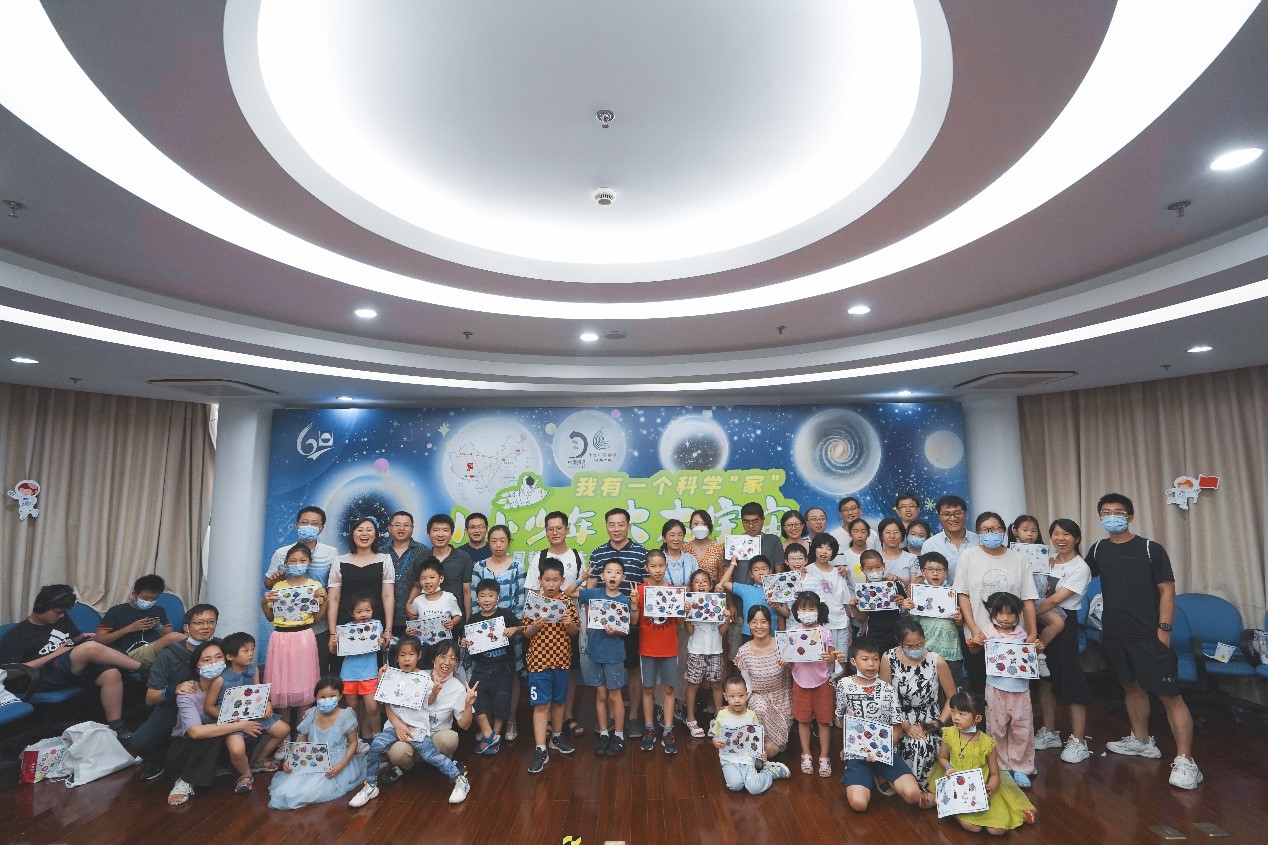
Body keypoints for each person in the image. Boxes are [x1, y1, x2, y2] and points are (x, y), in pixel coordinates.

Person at [1086, 493, 1201, 790]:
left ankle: (1186, 761)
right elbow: (1078, 575)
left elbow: (1167, 590)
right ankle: (1142, 741)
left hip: (1148, 634)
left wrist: (1164, 629)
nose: (1112, 516)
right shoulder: (1098, 549)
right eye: (1106, 512)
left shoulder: (1150, 549)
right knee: (1131, 686)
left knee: (1169, 695)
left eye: (1118, 512)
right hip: (1114, 634)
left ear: (1130, 516)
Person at [0, 584, 147, 742]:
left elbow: (73, 638)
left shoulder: (61, 619)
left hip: (71, 667)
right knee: (89, 649)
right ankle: (145, 669)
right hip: (44, 676)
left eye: (64, 612)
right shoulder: (18, 635)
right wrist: (55, 653)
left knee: (111, 673)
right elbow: (9, 673)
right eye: (58, 612)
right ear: (41, 607)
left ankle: (116, 725)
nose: (61, 616)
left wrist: (82, 638)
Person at [349, 637, 474, 806]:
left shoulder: (424, 678)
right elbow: (386, 702)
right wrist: (382, 679)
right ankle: (370, 785)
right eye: (402, 655)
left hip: (417, 728)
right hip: (394, 727)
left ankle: (460, 780)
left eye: (411, 654)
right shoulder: (393, 675)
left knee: (430, 755)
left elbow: (429, 702)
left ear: (419, 656)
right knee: (376, 746)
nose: (406, 659)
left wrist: (435, 692)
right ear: (397, 658)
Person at [833, 637, 933, 813]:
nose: (871, 664)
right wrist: (848, 745)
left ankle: (879, 775)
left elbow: (897, 726)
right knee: (859, 804)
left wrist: (879, 750)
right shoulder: (844, 685)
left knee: (913, 795)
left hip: (885, 751)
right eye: (865, 659)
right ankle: (868, 777)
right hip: (857, 753)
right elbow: (842, 718)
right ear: (853, 662)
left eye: (875, 659)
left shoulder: (888, 689)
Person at [165, 641, 263, 806]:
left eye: (218, 658)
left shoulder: (231, 685)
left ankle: (220, 767)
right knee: (212, 733)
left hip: (220, 742)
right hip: (187, 748)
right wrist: (240, 725)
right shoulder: (188, 692)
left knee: (250, 731)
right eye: (206, 660)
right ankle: (185, 780)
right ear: (197, 667)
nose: (214, 663)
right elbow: (195, 732)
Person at [129, 603, 219, 781]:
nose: (206, 627)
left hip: (212, 704)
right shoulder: (169, 655)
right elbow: (150, 698)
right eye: (199, 623)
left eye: (211, 622)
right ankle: (162, 760)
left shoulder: (220, 648)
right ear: (186, 627)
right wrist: (173, 690)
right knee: (140, 742)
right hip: (173, 708)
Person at [1032, 519, 1094, 764]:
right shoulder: (1046, 560)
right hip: (1041, 619)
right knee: (1045, 679)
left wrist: (1026, 614)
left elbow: (1054, 600)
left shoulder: (1080, 567)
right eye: (1056, 534)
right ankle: (1049, 732)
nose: (1061, 538)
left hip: (1064, 623)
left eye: (1066, 534)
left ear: (1076, 538)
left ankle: (1079, 741)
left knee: (1071, 680)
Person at [956, 512, 1038, 696]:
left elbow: (1028, 598)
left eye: (995, 529)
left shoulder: (1018, 559)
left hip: (1014, 638)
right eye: (985, 530)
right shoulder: (969, 556)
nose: (990, 533)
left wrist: (1032, 633)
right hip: (980, 638)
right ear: (978, 533)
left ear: (1003, 530)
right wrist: (974, 629)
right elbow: (963, 594)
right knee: (979, 689)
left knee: (1013, 691)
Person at [930, 691, 1036, 833]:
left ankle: (1019, 812)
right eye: (953, 711)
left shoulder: (987, 743)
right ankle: (953, 811)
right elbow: (942, 758)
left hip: (979, 789)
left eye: (962, 714)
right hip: (956, 785)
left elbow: (995, 774)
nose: (955, 717)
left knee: (998, 831)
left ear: (978, 718)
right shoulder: (949, 733)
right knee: (973, 827)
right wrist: (948, 767)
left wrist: (991, 787)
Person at [204, 631, 291, 793]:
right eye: (245, 651)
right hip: (232, 721)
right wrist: (231, 719)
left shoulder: (253, 670)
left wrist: (267, 705)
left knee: (284, 729)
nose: (251, 654)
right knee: (236, 750)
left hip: (254, 714)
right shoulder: (220, 679)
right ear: (230, 656)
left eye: (252, 649)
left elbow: (259, 693)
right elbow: (209, 707)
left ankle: (259, 761)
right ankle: (245, 774)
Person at [588, 507, 649, 737]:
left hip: (631, 623)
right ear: (606, 527)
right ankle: (612, 718)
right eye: (612, 524)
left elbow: (646, 587)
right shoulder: (597, 553)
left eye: (621, 524)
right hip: (602, 627)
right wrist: (589, 621)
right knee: (607, 673)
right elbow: (590, 588)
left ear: (628, 526)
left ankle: (632, 717)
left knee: (632, 669)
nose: (616, 529)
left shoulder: (641, 553)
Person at [966, 592, 1035, 788]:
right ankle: (1002, 768)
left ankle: (1021, 768)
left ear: (1018, 614)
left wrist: (1036, 649)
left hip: (1021, 690)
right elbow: (974, 650)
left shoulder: (1023, 634)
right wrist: (974, 643)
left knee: (1022, 728)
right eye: (1001, 613)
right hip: (995, 689)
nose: (1006, 618)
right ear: (992, 613)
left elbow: (1029, 658)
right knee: (996, 729)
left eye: (1011, 613)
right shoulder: (987, 632)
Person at [530, 510, 588, 741]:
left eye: (559, 528)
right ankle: (545, 722)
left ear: (567, 530)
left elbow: (584, 590)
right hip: (543, 627)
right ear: (546, 532)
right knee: (546, 670)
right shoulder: (539, 557)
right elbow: (532, 591)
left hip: (569, 623)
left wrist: (568, 604)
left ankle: (566, 716)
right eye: (550, 529)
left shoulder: (577, 556)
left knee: (569, 670)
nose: (555, 532)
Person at [881, 617, 957, 792]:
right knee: (904, 744)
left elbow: (952, 697)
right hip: (897, 717)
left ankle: (924, 789)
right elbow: (885, 697)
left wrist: (939, 722)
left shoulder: (936, 660)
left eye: (920, 644)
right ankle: (901, 783)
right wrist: (905, 726)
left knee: (922, 745)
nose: (916, 650)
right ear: (899, 642)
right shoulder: (888, 658)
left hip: (929, 718)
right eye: (910, 646)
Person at [268, 676, 366, 810]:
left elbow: (353, 742)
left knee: (308, 792)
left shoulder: (346, 715)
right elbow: (303, 738)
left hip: (336, 762)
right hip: (312, 759)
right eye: (322, 697)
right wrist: (291, 759)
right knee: (285, 790)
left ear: (340, 696)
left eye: (332, 696)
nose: (327, 699)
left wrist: (341, 766)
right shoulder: (312, 714)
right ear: (316, 697)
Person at [522, 557, 581, 774]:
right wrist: (535, 627)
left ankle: (556, 737)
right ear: (540, 580)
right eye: (547, 579)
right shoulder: (533, 602)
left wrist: (568, 624)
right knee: (541, 705)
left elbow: (575, 631)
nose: (551, 584)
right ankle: (540, 748)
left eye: (555, 580)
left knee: (559, 702)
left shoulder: (567, 602)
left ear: (562, 581)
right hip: (538, 663)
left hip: (562, 661)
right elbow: (525, 632)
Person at [263, 506, 339, 675]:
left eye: (315, 523)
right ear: (297, 525)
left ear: (322, 528)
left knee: (316, 672)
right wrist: (276, 579)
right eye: (305, 523)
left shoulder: (330, 553)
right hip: (288, 626)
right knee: (289, 672)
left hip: (319, 625)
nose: (309, 527)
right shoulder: (281, 553)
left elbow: (334, 589)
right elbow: (268, 584)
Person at [469, 525, 526, 733]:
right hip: (484, 632)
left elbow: (521, 601)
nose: (498, 545)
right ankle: (489, 724)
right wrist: (479, 631)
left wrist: (513, 628)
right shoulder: (479, 566)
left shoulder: (518, 567)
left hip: (510, 631)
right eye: (494, 541)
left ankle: (511, 720)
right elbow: (474, 601)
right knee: (486, 677)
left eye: (502, 540)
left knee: (511, 675)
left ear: (508, 542)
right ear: (488, 542)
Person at [261, 543, 325, 725]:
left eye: (302, 560)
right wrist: (264, 602)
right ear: (286, 564)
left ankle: (301, 733)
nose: (298, 564)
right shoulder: (278, 586)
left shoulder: (315, 586)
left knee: (304, 684)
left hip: (304, 636)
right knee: (282, 687)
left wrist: (326, 599)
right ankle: (284, 733)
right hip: (280, 637)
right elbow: (270, 616)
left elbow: (317, 618)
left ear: (309, 562)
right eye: (293, 561)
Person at [579, 559, 636, 756]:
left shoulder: (625, 600)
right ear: (602, 576)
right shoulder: (594, 594)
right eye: (609, 572)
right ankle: (603, 733)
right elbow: (568, 593)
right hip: (595, 652)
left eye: (617, 572)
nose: (613, 575)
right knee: (601, 694)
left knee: (615, 695)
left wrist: (615, 631)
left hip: (614, 655)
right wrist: (582, 579)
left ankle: (618, 735)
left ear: (623, 577)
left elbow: (628, 629)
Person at [461, 578, 521, 755]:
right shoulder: (473, 619)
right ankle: (489, 734)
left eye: (491, 595)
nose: (487, 599)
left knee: (502, 699)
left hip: (504, 666)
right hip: (481, 667)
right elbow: (466, 640)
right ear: (477, 598)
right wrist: (464, 642)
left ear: (498, 597)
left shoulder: (505, 614)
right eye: (482, 596)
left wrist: (514, 630)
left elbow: (522, 627)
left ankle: (495, 733)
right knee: (475, 697)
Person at [326, 517, 394, 665]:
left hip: (375, 623)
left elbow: (388, 596)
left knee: (374, 668)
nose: (364, 533)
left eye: (369, 530)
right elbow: (334, 599)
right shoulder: (340, 561)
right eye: (360, 530)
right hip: (345, 623)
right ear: (352, 534)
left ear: (375, 535)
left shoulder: (385, 559)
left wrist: (388, 630)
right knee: (344, 668)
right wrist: (332, 633)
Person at [634, 549, 682, 754]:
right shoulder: (640, 590)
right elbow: (634, 621)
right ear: (646, 568)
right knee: (648, 689)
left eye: (661, 565)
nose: (657, 570)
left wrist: (684, 609)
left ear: (666, 566)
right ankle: (649, 728)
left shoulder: (674, 591)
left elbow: (680, 623)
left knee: (669, 689)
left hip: (670, 648)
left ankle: (668, 731)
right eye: (653, 566)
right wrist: (633, 604)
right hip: (647, 649)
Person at [710, 676, 792, 794]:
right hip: (728, 759)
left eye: (741, 696)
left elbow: (757, 738)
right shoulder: (722, 715)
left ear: (747, 695)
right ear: (725, 697)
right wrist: (715, 740)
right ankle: (748, 776)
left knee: (754, 789)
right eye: (732, 696)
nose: (737, 700)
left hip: (748, 759)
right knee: (735, 786)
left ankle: (769, 773)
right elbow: (715, 733)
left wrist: (761, 754)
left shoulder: (751, 715)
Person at [789, 591, 840, 778]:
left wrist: (831, 657)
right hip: (800, 681)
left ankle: (824, 757)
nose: (807, 612)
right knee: (803, 720)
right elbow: (789, 659)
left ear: (819, 610)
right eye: (803, 608)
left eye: (811, 608)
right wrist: (784, 659)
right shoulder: (792, 632)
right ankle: (806, 754)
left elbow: (833, 657)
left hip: (822, 682)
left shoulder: (825, 633)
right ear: (797, 611)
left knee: (824, 721)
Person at [733, 605, 792, 761]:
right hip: (757, 698)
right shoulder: (744, 652)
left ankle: (754, 751)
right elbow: (748, 686)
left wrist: (790, 663)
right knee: (759, 708)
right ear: (748, 625)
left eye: (763, 622)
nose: (759, 626)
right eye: (754, 622)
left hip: (782, 700)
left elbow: (797, 672)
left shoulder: (782, 645)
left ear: (770, 624)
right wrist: (736, 708)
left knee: (770, 751)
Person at [683, 568, 729, 739]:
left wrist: (726, 618)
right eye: (697, 582)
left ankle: (719, 718)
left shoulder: (717, 603)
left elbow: (722, 631)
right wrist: (687, 614)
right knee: (693, 684)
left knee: (716, 684)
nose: (701, 584)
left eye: (704, 582)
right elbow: (689, 631)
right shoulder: (689, 604)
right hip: (696, 650)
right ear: (692, 586)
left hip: (715, 649)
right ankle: (690, 718)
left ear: (710, 585)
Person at [96, 574, 185, 662]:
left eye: (154, 599)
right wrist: (129, 629)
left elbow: (169, 635)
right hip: (127, 655)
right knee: (176, 637)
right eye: (146, 598)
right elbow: (99, 640)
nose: (150, 602)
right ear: (134, 594)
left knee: (179, 640)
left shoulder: (158, 610)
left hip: (156, 652)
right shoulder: (116, 611)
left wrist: (158, 626)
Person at [912, 552, 964, 683]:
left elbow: (961, 625)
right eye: (930, 569)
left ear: (946, 572)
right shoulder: (918, 594)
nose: (935, 574)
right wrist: (906, 607)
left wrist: (959, 620)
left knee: (952, 687)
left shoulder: (954, 593)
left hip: (950, 652)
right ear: (923, 572)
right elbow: (913, 622)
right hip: (926, 650)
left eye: (940, 570)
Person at [337, 596, 382, 748]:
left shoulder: (376, 625)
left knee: (373, 707)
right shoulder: (345, 629)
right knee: (352, 708)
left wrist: (382, 642)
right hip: (349, 673)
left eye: (368, 610)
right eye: (359, 611)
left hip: (369, 672)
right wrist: (337, 642)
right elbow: (337, 650)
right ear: (352, 613)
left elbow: (383, 645)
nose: (364, 614)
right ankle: (354, 740)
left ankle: (378, 737)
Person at [850, 550, 911, 652]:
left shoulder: (895, 585)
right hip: (875, 636)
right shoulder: (863, 591)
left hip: (897, 635)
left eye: (878, 567)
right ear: (862, 569)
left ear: (883, 566)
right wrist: (853, 607)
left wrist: (902, 602)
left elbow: (908, 610)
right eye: (870, 569)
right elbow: (863, 618)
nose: (874, 571)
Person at [803, 534, 853, 656]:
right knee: (823, 662)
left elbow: (845, 602)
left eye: (829, 548)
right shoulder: (807, 571)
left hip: (841, 625)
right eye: (820, 547)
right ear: (814, 549)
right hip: (818, 625)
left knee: (841, 661)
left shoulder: (838, 573)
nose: (824, 551)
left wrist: (849, 627)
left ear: (833, 552)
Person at [386, 511, 427, 638]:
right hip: (386, 618)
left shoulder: (424, 552)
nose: (401, 528)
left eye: (406, 525)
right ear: (389, 528)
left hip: (415, 616)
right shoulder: (380, 552)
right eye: (397, 525)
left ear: (412, 528)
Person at [425, 514, 475, 618]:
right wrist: (409, 604)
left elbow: (467, 591)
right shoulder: (422, 559)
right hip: (429, 619)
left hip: (457, 618)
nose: (440, 534)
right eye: (436, 530)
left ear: (451, 533)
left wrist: (468, 620)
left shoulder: (463, 557)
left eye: (445, 530)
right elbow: (417, 586)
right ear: (428, 534)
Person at [922, 495, 978, 584]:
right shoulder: (930, 545)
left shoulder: (979, 541)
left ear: (965, 514)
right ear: (939, 516)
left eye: (957, 513)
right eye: (946, 514)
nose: (952, 518)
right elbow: (925, 578)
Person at [719, 555, 774, 644]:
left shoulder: (777, 591)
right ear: (751, 574)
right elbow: (723, 583)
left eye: (764, 569)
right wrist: (733, 563)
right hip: (748, 634)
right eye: (756, 570)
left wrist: (778, 607)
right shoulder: (745, 589)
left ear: (770, 571)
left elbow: (784, 613)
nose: (761, 572)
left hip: (771, 634)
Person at [410, 558, 463, 641]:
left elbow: (458, 615)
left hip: (444, 643)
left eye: (432, 577)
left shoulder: (449, 597)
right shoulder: (417, 601)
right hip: (424, 643)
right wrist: (410, 630)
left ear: (441, 579)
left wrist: (452, 622)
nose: (427, 581)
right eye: (423, 578)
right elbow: (413, 622)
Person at [732, 502, 785, 584]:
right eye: (746, 522)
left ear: (763, 520)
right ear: (742, 521)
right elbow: (727, 574)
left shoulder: (773, 541)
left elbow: (779, 573)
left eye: (755, 521)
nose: (751, 526)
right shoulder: (734, 542)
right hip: (739, 591)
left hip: (766, 591)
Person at [685, 508, 725, 584]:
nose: (700, 527)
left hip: (713, 590)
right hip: (690, 590)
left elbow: (721, 575)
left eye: (704, 524)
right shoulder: (684, 549)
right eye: (696, 524)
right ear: (690, 526)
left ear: (709, 527)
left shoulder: (718, 549)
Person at [877, 518, 919, 585]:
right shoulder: (875, 558)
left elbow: (914, 587)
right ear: (882, 536)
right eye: (888, 532)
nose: (892, 536)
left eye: (896, 532)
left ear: (902, 536)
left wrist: (899, 581)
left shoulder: (911, 559)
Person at [660, 519, 698, 588]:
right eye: (672, 535)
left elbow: (697, 583)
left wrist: (691, 589)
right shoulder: (658, 559)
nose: (676, 539)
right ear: (664, 538)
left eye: (680, 535)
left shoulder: (691, 559)